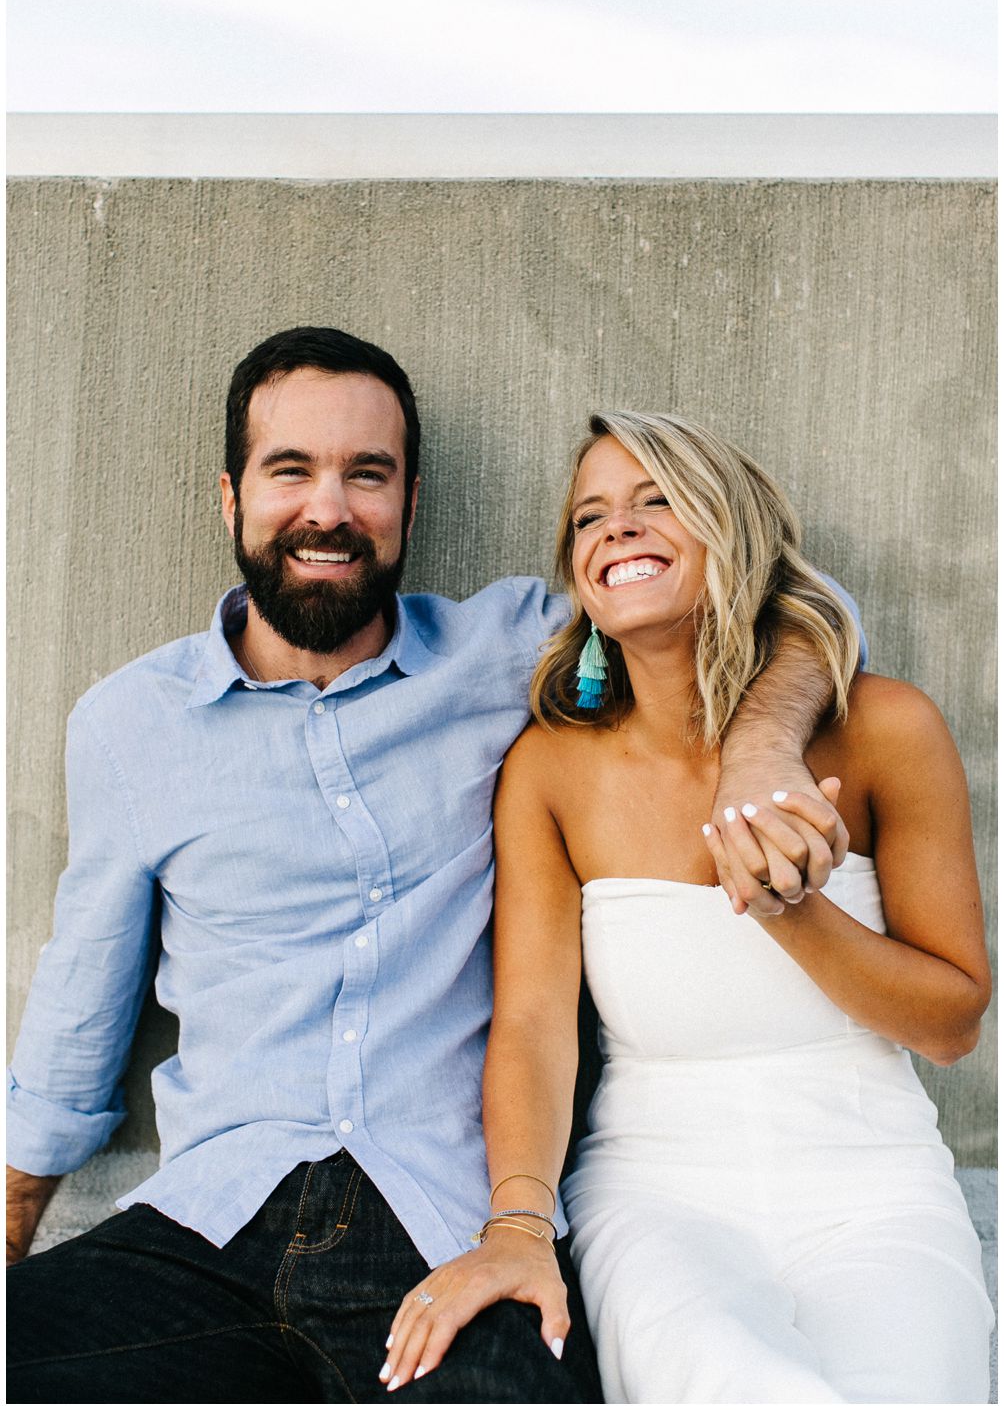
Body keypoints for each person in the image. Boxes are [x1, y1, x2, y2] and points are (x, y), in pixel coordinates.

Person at [9, 331, 853, 1404]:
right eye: (290, 471)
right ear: (231, 499)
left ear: (408, 506)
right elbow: (85, 994)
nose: (329, 509)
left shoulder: (510, 655)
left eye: (367, 474)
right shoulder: (130, 724)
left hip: (447, 1231)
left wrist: (763, 745)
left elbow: (776, 598)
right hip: (204, 1228)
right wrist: (16, 1215)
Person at [381, 410, 994, 1404]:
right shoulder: (551, 768)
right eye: (589, 517)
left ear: (734, 532)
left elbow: (952, 1022)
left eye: (656, 500)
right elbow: (534, 1025)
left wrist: (787, 903)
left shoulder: (884, 727)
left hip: (875, 1187)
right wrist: (518, 1227)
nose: (616, 528)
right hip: (656, 1198)